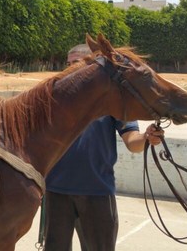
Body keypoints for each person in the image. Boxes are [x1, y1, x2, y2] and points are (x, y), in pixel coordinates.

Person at [42, 44, 164, 251]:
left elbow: (132, 141)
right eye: (68, 63)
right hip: (56, 191)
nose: (71, 69)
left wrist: (146, 137)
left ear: (92, 65)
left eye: (77, 63)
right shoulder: (52, 99)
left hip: (96, 191)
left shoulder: (113, 101)